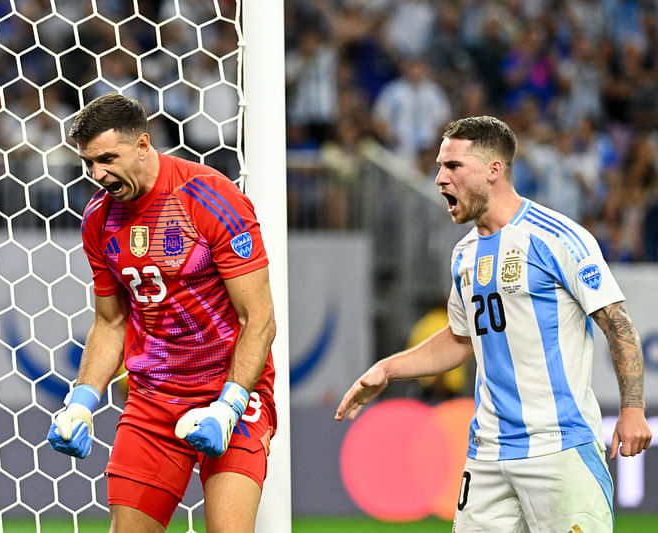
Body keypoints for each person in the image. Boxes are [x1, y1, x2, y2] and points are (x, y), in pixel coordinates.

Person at [335, 116, 652, 532]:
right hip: (488, 453)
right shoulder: (464, 254)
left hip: (558, 447)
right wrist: (387, 369)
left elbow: (618, 324)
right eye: (438, 167)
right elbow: (460, 339)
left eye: (452, 167)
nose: (439, 179)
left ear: (493, 170)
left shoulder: (556, 238)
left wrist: (632, 409)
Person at [46, 94, 277, 533]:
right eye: (89, 163)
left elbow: (259, 319)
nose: (98, 174)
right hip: (153, 396)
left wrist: (228, 407)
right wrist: (81, 402)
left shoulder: (209, 197)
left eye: (108, 158)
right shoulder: (98, 218)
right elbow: (110, 322)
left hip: (232, 390)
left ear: (144, 144)